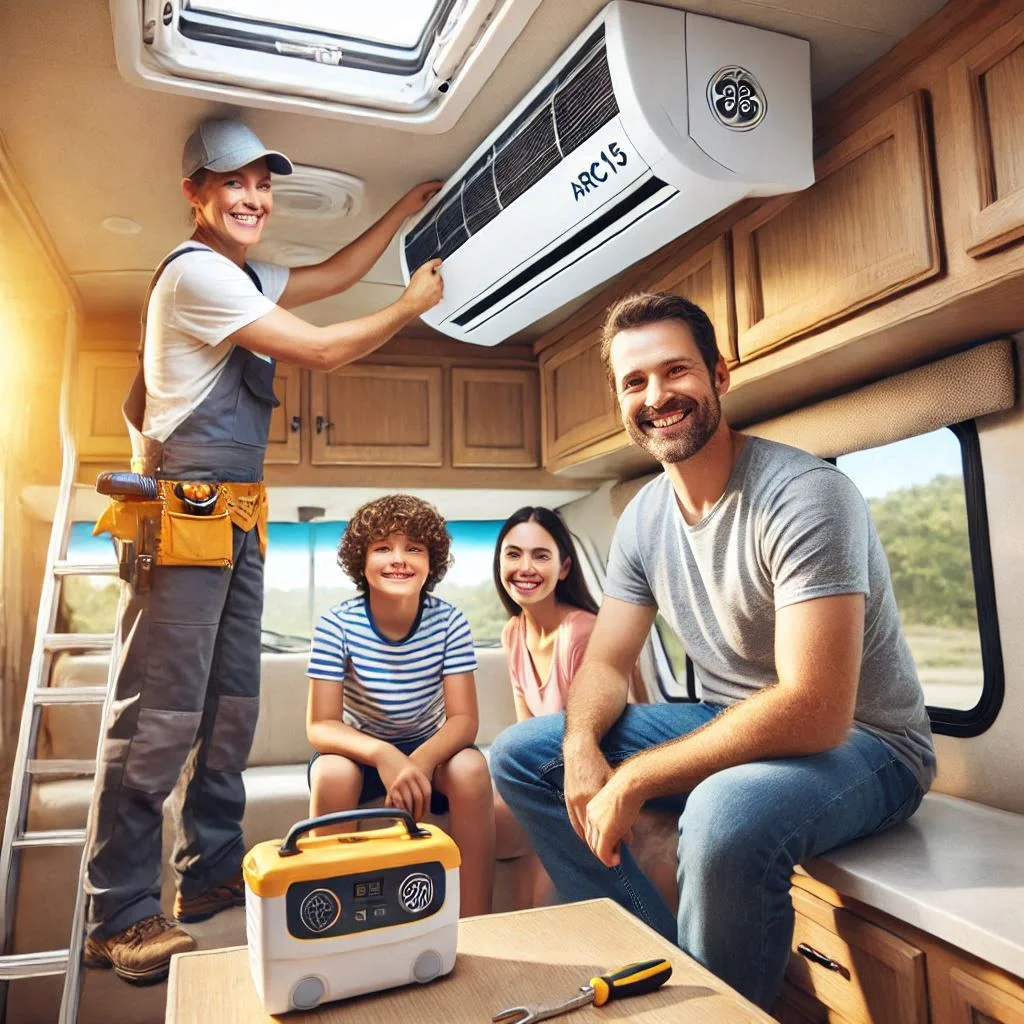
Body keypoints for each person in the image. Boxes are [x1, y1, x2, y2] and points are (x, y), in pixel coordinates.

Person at [490, 292, 935, 1012]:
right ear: (620, 402)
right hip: (732, 718)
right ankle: (655, 971)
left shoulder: (805, 496)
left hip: (870, 744)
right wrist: (580, 748)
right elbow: (604, 664)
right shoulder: (642, 520)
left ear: (720, 376)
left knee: (723, 812)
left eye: (676, 372)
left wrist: (631, 780)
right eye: (635, 382)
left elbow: (816, 711)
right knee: (520, 752)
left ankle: (711, 1012)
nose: (657, 396)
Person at [84, 119, 445, 984]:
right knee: (162, 714)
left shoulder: (244, 273)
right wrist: (411, 305)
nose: (252, 198)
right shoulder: (200, 273)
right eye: (232, 183)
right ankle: (119, 913)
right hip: (191, 513)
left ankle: (205, 878)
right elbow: (321, 347)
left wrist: (399, 212)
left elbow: (332, 276)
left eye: (262, 184)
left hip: (241, 517)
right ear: (196, 195)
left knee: (232, 706)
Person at [306, 494, 495, 917]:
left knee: (470, 768)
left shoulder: (450, 623)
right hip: (361, 753)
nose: (399, 559)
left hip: (430, 749)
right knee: (332, 774)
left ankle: (477, 920)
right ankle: (331, 917)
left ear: (432, 563)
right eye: (383, 548)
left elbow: (464, 721)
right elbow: (321, 726)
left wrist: (422, 761)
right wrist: (384, 755)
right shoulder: (336, 624)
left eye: (414, 548)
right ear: (361, 560)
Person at [492, 506, 600, 907]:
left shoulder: (580, 632)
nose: (525, 567)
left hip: (589, 779)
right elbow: (527, 735)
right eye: (513, 554)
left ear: (565, 567)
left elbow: (599, 743)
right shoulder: (512, 633)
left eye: (541, 556)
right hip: (547, 778)